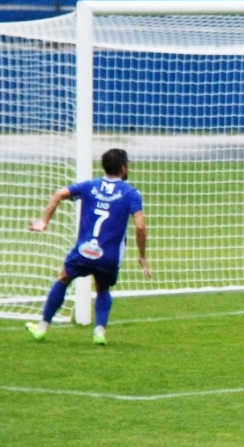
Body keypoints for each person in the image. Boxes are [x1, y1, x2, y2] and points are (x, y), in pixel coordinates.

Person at [25, 148, 150, 345]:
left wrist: (44, 222)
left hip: (83, 252)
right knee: (102, 287)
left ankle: (42, 328)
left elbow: (58, 194)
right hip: (108, 256)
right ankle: (99, 332)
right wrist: (142, 256)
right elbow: (141, 227)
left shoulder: (90, 186)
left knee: (64, 278)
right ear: (124, 168)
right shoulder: (131, 194)